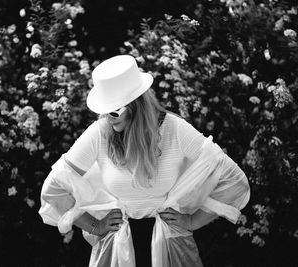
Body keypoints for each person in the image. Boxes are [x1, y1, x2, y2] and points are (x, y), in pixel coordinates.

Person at [39, 55, 250, 266]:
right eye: (105, 110)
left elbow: (232, 181)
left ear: (136, 105)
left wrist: (193, 221)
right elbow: (54, 189)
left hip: (170, 245)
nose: (108, 117)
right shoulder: (100, 133)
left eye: (114, 110)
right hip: (117, 250)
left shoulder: (174, 129)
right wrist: (95, 226)